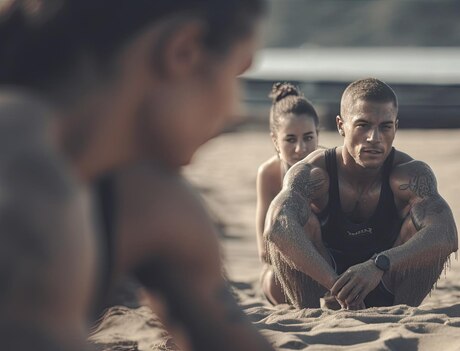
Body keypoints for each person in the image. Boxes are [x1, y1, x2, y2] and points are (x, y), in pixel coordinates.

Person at [0, 1, 272, 350]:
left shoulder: (150, 203)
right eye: (238, 73)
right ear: (183, 50)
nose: (236, 110)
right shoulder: (25, 190)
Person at [263, 78, 458, 310]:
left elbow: (447, 234)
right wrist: (339, 287)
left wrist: (379, 265)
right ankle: (309, 313)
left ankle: (401, 313)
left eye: (385, 126)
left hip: (386, 279)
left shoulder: (410, 175)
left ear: (395, 127)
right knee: (292, 223)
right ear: (340, 126)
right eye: (363, 125)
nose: (373, 138)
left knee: (424, 228)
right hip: (328, 280)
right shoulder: (314, 172)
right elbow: (276, 225)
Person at [255, 83, 320, 305]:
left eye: (308, 137)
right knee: (272, 281)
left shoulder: (330, 166)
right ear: (275, 140)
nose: (301, 148)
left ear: (318, 134)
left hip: (327, 262)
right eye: (290, 139)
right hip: (284, 264)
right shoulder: (269, 173)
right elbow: (264, 249)